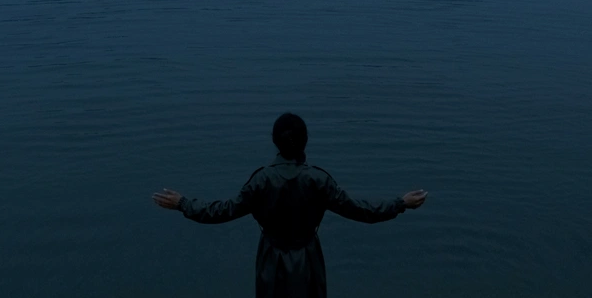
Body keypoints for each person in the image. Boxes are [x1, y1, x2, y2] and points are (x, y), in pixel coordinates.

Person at [153, 112, 428, 298]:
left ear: (275, 142)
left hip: (271, 258)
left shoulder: (261, 181)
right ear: (305, 142)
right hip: (307, 258)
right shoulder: (318, 180)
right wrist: (400, 203)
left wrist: (182, 203)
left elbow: (221, 211)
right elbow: (361, 210)